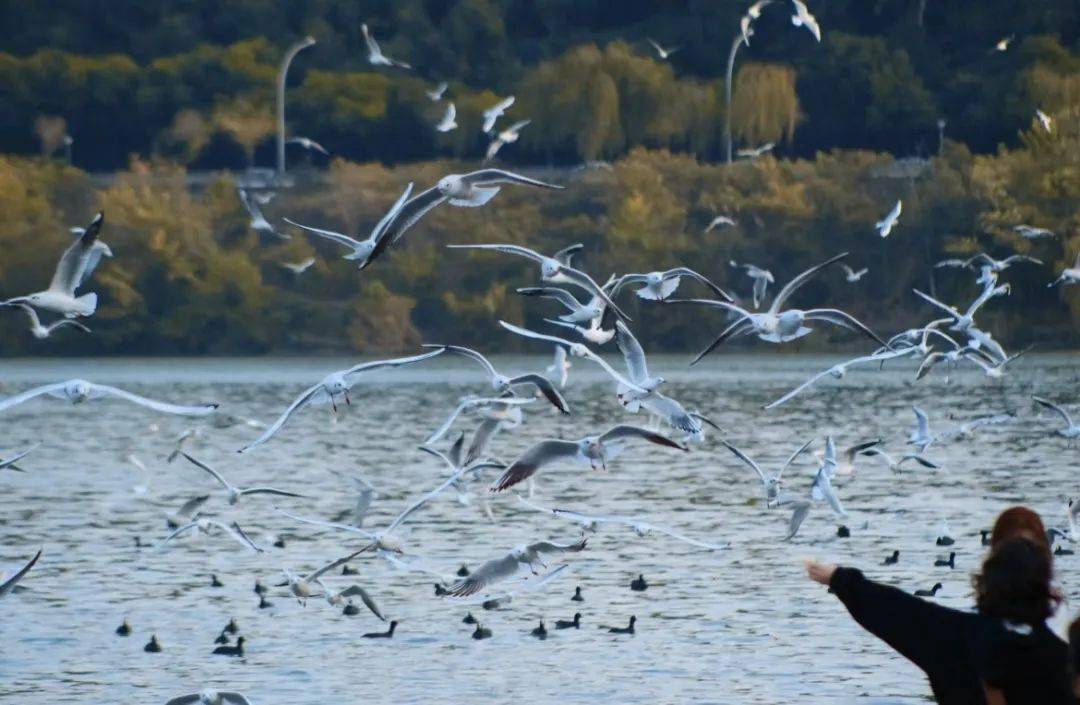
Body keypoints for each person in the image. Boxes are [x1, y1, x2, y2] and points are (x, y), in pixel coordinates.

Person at [804, 507, 1071, 704]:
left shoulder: (954, 636)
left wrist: (839, 578)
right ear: (1046, 580)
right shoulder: (1066, 655)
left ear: (988, 575)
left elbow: (895, 610)